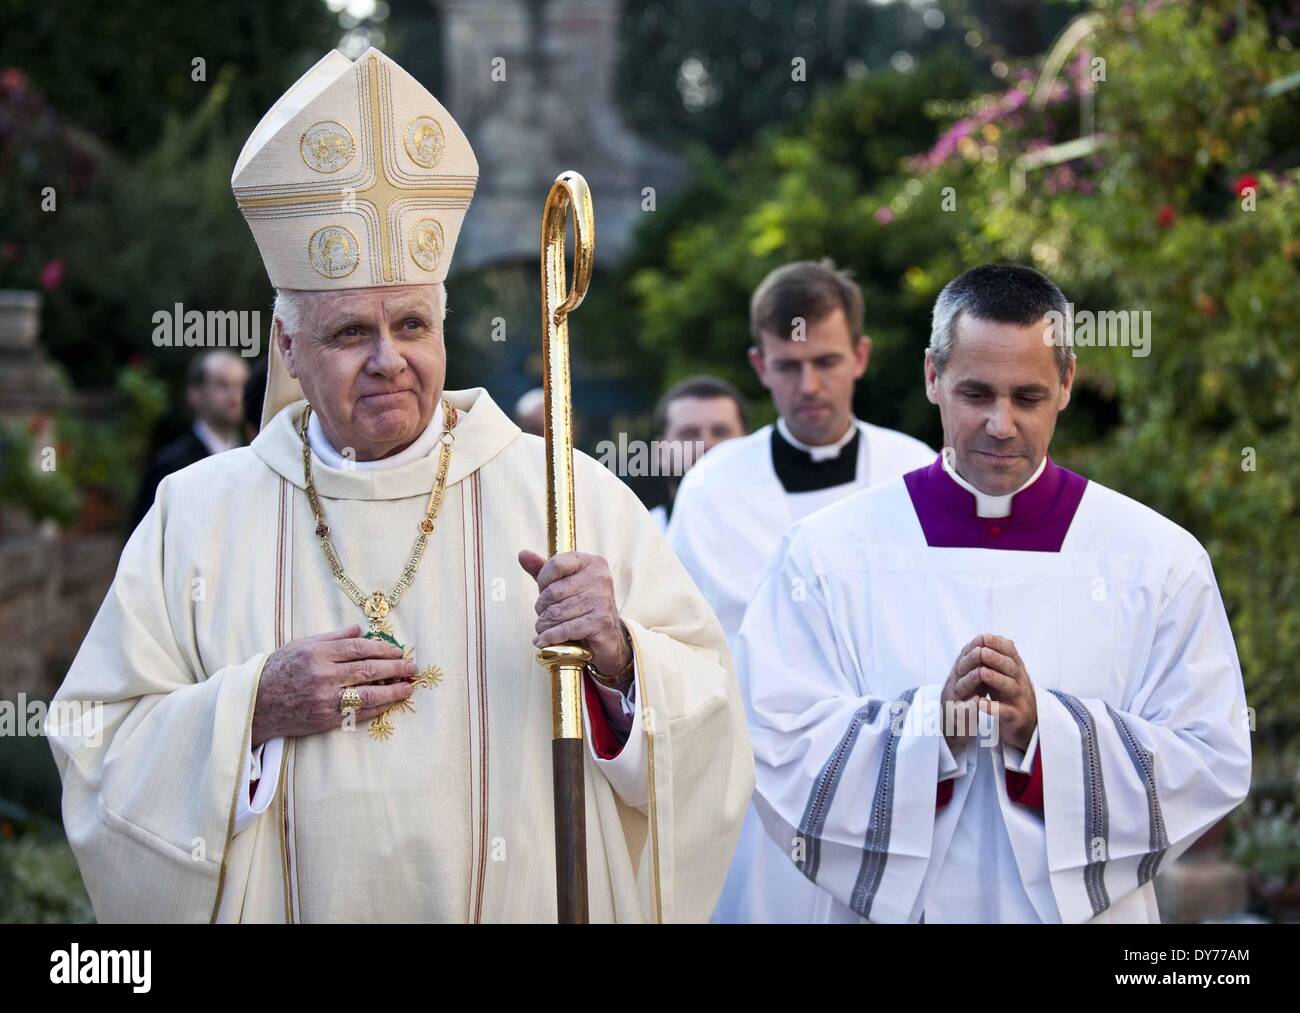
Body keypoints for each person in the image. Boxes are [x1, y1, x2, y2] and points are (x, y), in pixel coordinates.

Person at [48, 47, 752, 924]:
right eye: (349, 331)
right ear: (289, 347)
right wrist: (251, 708)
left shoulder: (570, 496)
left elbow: (715, 726)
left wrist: (619, 659)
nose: (389, 360)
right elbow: (94, 743)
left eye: (412, 323)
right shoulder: (197, 515)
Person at [738, 263, 1251, 923]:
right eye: (976, 393)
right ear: (932, 376)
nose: (1001, 424)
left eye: (1028, 396)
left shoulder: (1157, 560)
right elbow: (773, 743)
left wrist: (1047, 733)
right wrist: (932, 730)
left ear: (1066, 383)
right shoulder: (827, 554)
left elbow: (1211, 756)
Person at [667, 259, 933, 923]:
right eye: (788, 365)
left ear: (862, 356)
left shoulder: (919, 476)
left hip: (891, 782)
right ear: (760, 366)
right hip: (761, 796)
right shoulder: (712, 489)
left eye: (826, 360)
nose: (808, 384)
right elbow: (691, 647)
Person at [131, 350, 249, 529]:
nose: (235, 396)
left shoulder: (253, 460)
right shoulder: (170, 465)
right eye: (222, 385)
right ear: (195, 394)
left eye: (241, 386)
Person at [645, 375, 747, 532]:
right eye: (689, 434)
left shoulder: (783, 529)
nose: (707, 444)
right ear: (661, 452)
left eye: (721, 432)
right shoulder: (638, 538)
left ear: (748, 443)